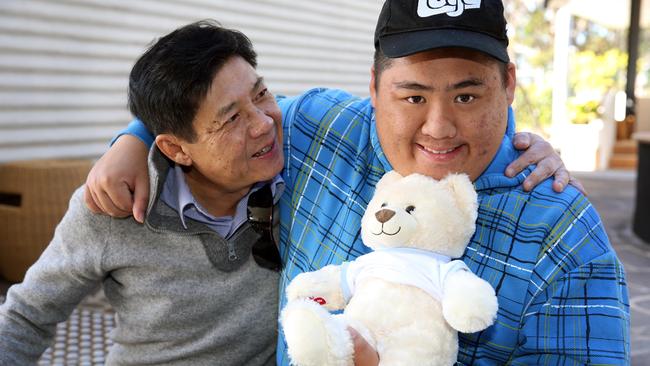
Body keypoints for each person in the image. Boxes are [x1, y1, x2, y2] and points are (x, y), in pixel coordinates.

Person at [85, 1, 630, 365]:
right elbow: (204, 111)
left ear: (508, 86)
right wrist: (133, 138)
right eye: (412, 96)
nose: (438, 128)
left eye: (467, 96)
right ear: (373, 87)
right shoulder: (318, 127)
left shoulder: (562, 234)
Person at [0, 21, 284, 365]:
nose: (264, 123)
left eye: (260, 94)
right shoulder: (111, 208)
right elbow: (26, 316)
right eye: (232, 119)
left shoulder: (299, 172)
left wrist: (131, 136)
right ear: (176, 150)